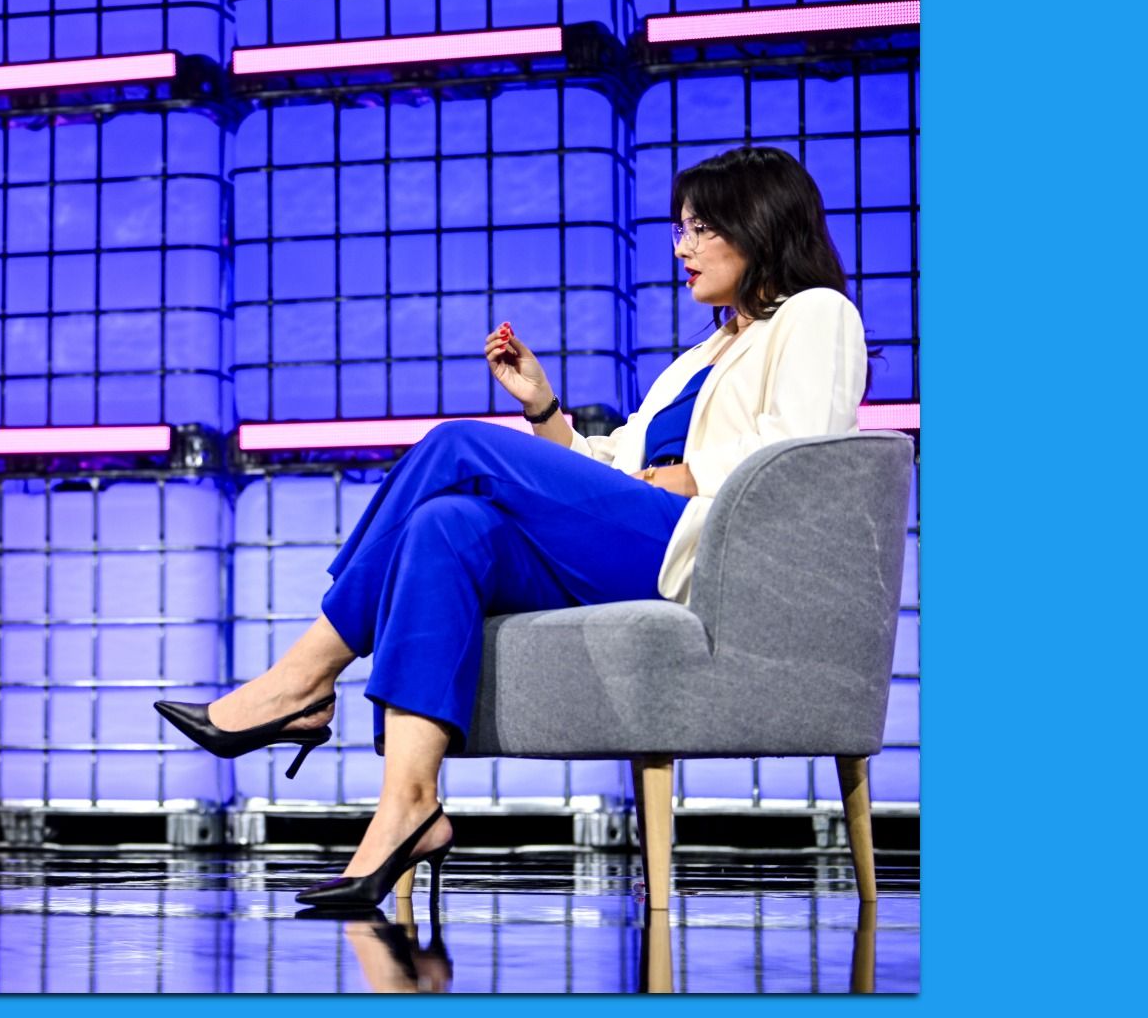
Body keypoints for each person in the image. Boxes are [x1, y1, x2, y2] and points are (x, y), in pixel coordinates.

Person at [157, 145, 868, 907]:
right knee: (446, 524)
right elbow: (611, 468)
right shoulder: (704, 353)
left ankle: (302, 679)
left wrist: (704, 473)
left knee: (457, 445)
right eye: (680, 229)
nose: (681, 248)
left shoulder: (816, 313)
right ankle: (409, 806)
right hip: (641, 537)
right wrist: (543, 409)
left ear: (759, 226)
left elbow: (803, 455)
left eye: (701, 228)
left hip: (704, 553)